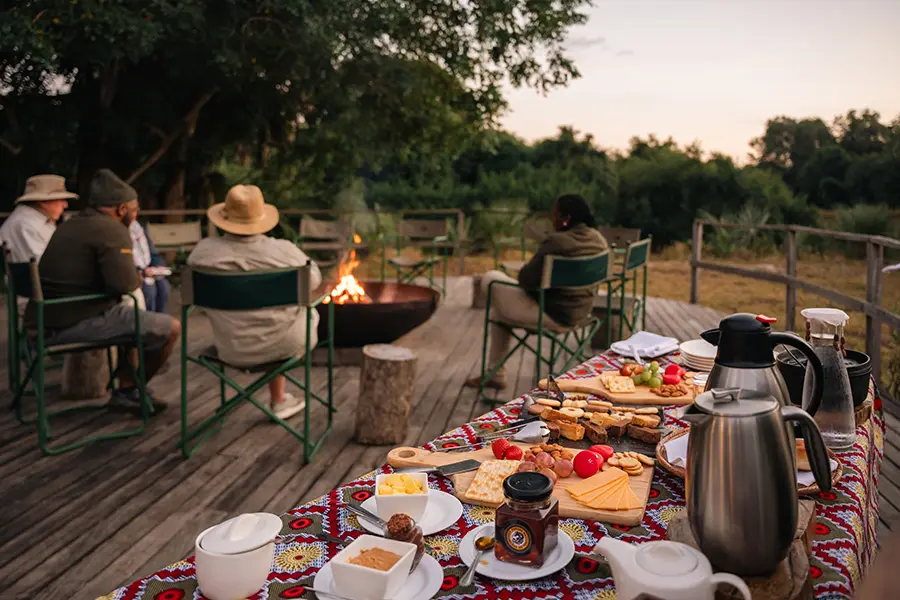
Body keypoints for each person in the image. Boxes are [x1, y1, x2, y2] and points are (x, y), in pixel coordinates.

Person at [27, 169, 181, 413]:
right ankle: (129, 389)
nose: (136, 213)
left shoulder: (73, 223)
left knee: (131, 316)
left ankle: (128, 388)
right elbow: (125, 285)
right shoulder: (113, 230)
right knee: (170, 328)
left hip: (45, 319)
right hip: (67, 325)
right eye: (135, 208)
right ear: (121, 210)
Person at [187, 184, 321, 420]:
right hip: (285, 344)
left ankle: (279, 400)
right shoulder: (284, 251)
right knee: (293, 315)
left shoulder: (202, 254)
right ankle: (278, 400)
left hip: (232, 348)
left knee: (261, 316)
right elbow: (314, 279)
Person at [465, 194, 608, 390]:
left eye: (554, 214)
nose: (552, 219)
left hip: (551, 314)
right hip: (582, 314)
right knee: (497, 313)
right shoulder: (599, 240)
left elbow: (525, 279)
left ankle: (494, 373)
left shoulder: (557, 242)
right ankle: (495, 374)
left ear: (565, 218)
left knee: (490, 278)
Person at [0, 174, 77, 313]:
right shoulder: (29, 225)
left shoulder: (31, 220)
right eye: (61, 199)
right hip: (38, 300)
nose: (65, 205)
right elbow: (50, 267)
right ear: (43, 202)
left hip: (37, 295)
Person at [129, 219, 171, 314]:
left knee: (164, 287)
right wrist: (141, 271)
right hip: (133, 272)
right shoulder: (120, 231)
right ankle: (148, 323)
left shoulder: (139, 228)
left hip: (148, 269)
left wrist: (158, 266)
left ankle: (160, 321)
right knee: (149, 291)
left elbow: (153, 254)